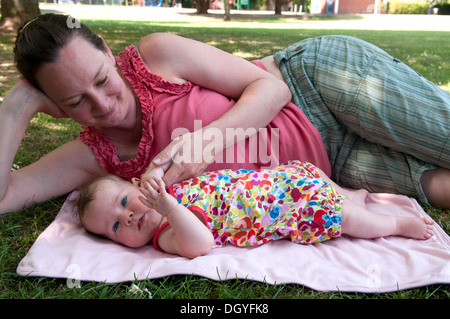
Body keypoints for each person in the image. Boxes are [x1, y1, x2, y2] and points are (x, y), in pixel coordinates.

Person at [0, 13, 449, 215]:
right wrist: (18, 105)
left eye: (101, 80)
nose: (102, 105)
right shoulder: (92, 155)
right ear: (54, 107)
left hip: (319, 87)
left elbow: (272, 88)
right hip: (332, 166)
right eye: (76, 101)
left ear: (107, 51)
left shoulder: (157, 56)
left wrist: (208, 139)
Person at [75, 160, 434, 258]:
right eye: (115, 228)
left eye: (123, 203)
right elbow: (199, 243)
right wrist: (168, 208)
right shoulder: (165, 234)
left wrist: (158, 179)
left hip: (279, 182)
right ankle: (395, 225)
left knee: (314, 175)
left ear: (138, 185)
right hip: (289, 210)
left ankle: (348, 194)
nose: (127, 217)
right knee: (348, 220)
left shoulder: (165, 184)